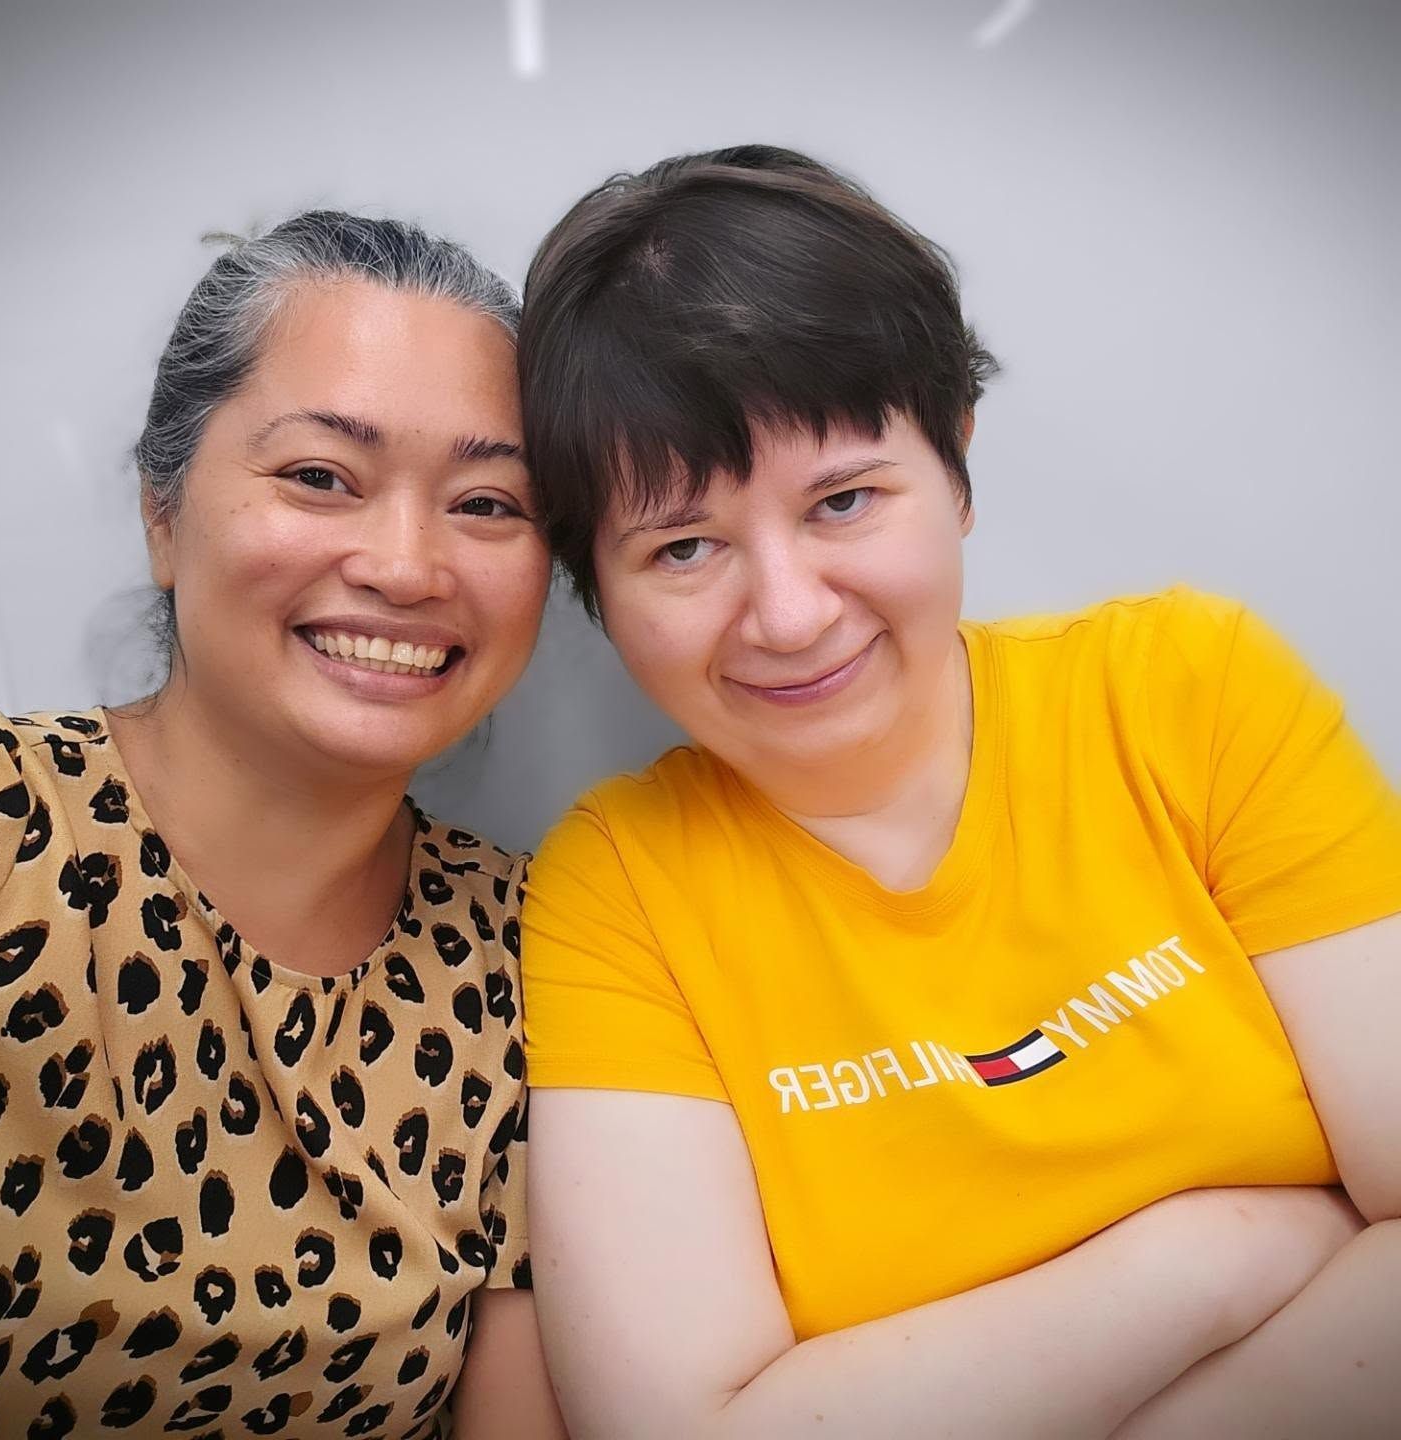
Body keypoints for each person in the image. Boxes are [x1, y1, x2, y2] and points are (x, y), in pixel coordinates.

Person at [516, 146, 1401, 1437]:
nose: (788, 612)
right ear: (599, 587)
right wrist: (1216, 1257)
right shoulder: (620, 885)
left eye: (845, 500)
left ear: (958, 466)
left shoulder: (1186, 692)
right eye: (684, 545)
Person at [0, 214, 565, 1439]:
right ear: (163, 512)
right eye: (319, 478)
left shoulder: (543, 950)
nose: (406, 566)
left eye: (490, 502)